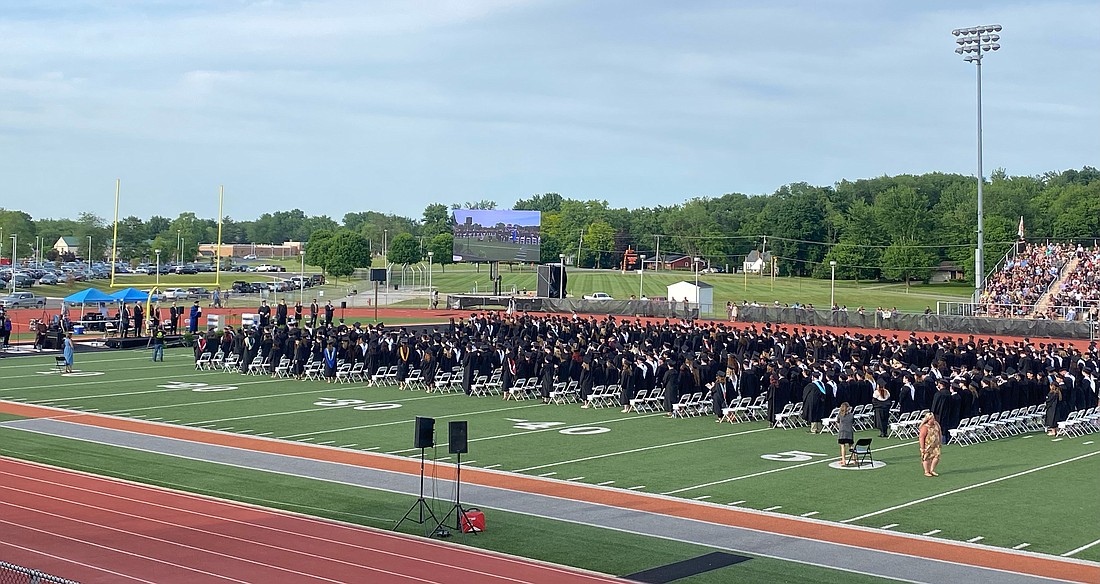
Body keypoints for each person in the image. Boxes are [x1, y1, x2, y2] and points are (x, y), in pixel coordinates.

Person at [918, 412, 942, 477]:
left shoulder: (936, 424)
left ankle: (932, 470)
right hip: (927, 445)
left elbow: (939, 432)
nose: (933, 420)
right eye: (932, 419)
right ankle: (926, 471)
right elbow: (921, 437)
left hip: (936, 445)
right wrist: (922, 448)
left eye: (933, 418)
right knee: (926, 458)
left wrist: (940, 441)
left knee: (937, 456)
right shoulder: (925, 427)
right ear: (928, 419)